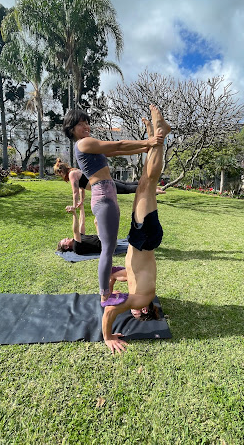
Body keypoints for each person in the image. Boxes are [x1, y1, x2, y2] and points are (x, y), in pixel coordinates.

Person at [62, 107, 164, 307]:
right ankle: (104, 296)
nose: (86, 126)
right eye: (81, 123)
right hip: (103, 198)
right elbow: (117, 143)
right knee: (107, 249)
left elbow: (116, 150)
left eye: (86, 122)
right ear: (72, 129)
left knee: (109, 246)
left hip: (107, 195)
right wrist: (148, 142)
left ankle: (107, 283)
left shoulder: (88, 145)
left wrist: (143, 149)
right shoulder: (84, 143)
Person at [101, 105, 171, 354]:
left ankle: (154, 131)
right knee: (147, 184)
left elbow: (113, 274)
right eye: (132, 312)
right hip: (145, 237)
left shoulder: (134, 286)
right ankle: (160, 136)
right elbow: (111, 310)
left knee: (144, 182)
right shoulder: (141, 298)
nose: (127, 308)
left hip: (142, 238)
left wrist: (105, 290)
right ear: (142, 309)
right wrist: (108, 336)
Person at [53, 159, 165, 209]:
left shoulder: (71, 174)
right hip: (104, 180)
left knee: (126, 189)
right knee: (127, 185)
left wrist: (74, 205)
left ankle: (152, 189)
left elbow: (75, 191)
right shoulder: (74, 171)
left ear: (60, 172)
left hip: (103, 185)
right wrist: (81, 201)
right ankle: (151, 185)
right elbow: (81, 188)